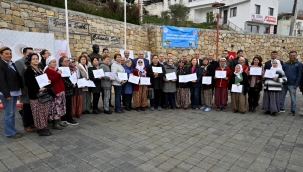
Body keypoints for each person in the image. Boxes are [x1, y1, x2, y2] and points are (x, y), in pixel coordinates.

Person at [24, 53, 53, 136]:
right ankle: (40, 129)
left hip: (43, 94)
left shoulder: (39, 69)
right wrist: (37, 89)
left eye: (37, 58)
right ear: (30, 60)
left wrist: (47, 82)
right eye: (33, 59)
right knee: (38, 112)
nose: (36, 60)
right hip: (35, 95)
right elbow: (28, 83)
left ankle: (43, 126)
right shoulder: (29, 70)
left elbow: (42, 80)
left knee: (43, 111)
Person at [0, 46, 24, 139]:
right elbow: (1, 81)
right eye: (6, 53)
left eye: (10, 53)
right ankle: (9, 132)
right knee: (9, 113)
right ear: (0, 55)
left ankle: (12, 130)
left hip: (13, 92)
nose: (9, 55)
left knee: (12, 113)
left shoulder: (10, 63)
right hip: (7, 93)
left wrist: (20, 89)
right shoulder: (1, 65)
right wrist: (6, 94)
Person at [15, 47, 35, 132]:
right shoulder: (19, 62)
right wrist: (22, 89)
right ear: (24, 54)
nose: (30, 55)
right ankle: (26, 124)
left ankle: (31, 122)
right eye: (29, 53)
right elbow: (19, 77)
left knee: (31, 107)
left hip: (32, 88)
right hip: (25, 89)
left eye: (32, 53)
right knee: (26, 107)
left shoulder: (31, 62)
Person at [44, 57, 67, 130]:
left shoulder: (54, 70)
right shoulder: (47, 71)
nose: (55, 63)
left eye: (55, 62)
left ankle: (59, 120)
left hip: (60, 91)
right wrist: (58, 74)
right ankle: (55, 123)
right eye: (53, 62)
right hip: (56, 92)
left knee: (60, 106)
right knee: (56, 108)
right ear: (49, 63)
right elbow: (51, 80)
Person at [281, 51, 302, 116]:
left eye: (294, 55)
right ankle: (281, 108)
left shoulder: (299, 64)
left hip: (292, 84)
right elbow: (282, 73)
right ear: (289, 56)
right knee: (282, 97)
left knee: (293, 98)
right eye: (291, 55)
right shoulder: (285, 64)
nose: (292, 56)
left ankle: (293, 110)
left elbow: (299, 75)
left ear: (296, 56)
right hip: (284, 83)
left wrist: (297, 84)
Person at [59, 56, 78, 125]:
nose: (67, 62)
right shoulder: (60, 69)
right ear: (61, 62)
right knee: (65, 104)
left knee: (69, 104)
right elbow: (63, 80)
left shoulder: (68, 69)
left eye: (67, 61)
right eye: (65, 61)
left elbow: (72, 77)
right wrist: (71, 84)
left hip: (70, 89)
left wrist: (74, 82)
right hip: (65, 89)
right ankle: (67, 118)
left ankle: (67, 117)